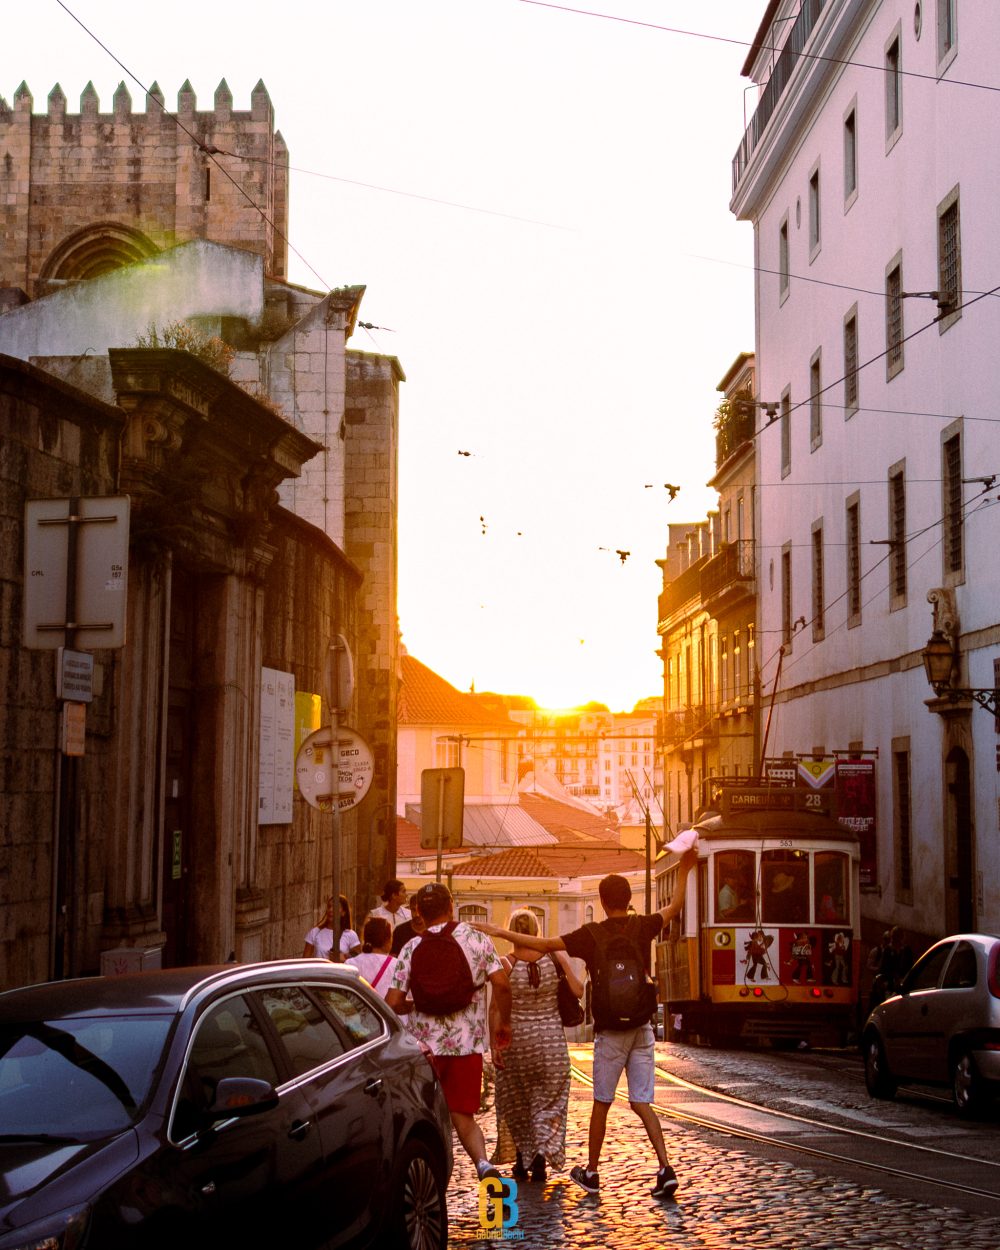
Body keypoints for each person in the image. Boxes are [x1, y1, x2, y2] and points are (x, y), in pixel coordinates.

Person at [476, 847, 697, 1201]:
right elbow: (672, 909)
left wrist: (498, 932)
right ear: (628, 900)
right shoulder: (643, 926)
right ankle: (665, 1167)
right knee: (642, 1103)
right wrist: (686, 869)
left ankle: (592, 1171)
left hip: (610, 1033)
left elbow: (544, 943)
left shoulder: (591, 934)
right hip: (641, 1029)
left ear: (602, 900)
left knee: (602, 1101)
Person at [386, 882, 512, 1187]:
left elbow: (392, 1002)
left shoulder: (411, 948)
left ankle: (432, 1183)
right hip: (466, 1046)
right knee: (463, 1117)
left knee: (427, 1118)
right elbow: (502, 983)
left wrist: (417, 1004)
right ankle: (483, 1165)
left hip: (424, 1050)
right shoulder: (476, 940)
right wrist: (502, 1026)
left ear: (419, 913)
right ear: (451, 906)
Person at [492, 909, 584, 1183]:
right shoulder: (554, 959)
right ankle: (542, 1155)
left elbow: (495, 1009)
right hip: (552, 1044)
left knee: (516, 1100)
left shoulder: (504, 964)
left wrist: (494, 1044)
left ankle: (522, 1158)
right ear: (536, 932)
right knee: (550, 1100)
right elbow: (578, 990)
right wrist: (563, 960)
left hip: (518, 1043)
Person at [347, 916, 398, 999]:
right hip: (387, 1011)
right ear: (387, 940)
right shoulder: (397, 966)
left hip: (361, 1011)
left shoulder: (351, 964)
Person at [303, 894, 362, 961]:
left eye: (335, 907)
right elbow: (305, 961)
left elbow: (358, 959)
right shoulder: (315, 932)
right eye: (329, 906)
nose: (330, 910)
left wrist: (343, 958)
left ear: (343, 912)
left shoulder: (350, 935)